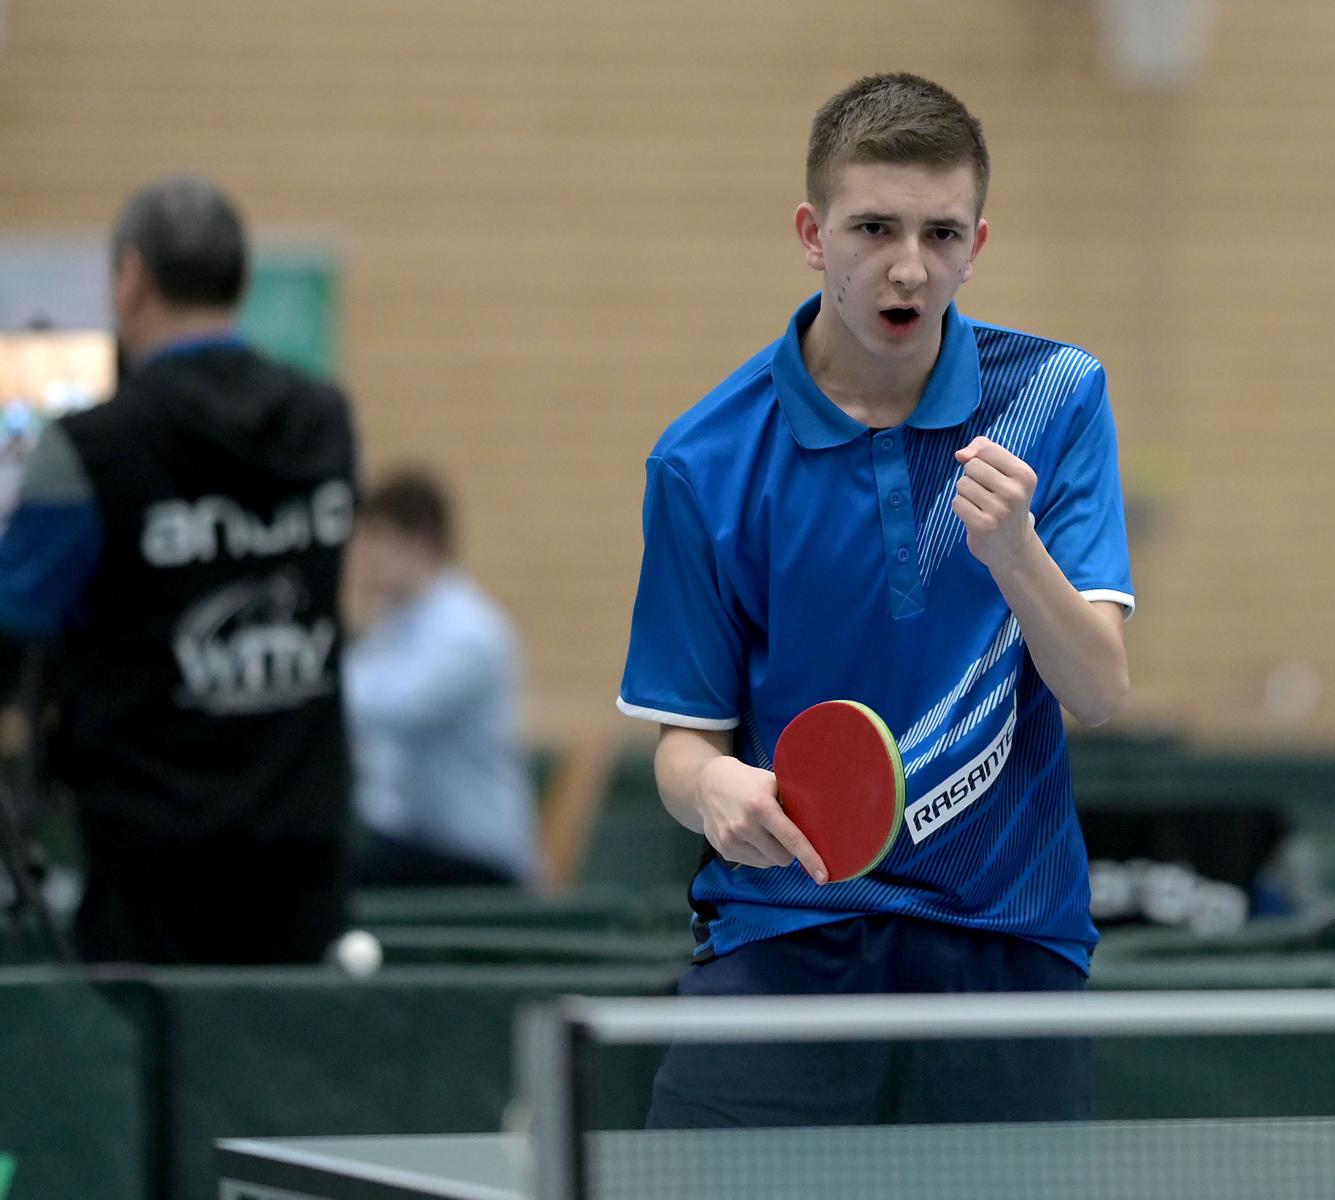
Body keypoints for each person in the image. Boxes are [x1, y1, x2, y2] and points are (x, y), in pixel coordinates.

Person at [617, 73, 1133, 1127]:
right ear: (814, 235)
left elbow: (1098, 689)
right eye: (873, 229)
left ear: (976, 245)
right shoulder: (704, 460)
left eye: (940, 234)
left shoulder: (1054, 399)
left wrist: (1016, 553)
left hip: (1005, 933)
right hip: (786, 927)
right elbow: (684, 744)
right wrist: (711, 790)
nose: (908, 267)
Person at [0, 172, 360, 964]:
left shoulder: (91, 451)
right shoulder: (325, 422)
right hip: (303, 853)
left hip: (153, 871)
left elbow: (14, 612)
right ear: (239, 278)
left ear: (130, 279)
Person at [341, 468, 540, 888]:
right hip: (415, 842)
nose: (362, 556)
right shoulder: (393, 624)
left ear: (421, 542)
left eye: (376, 538)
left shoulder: (468, 633)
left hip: (476, 860)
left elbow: (393, 706)